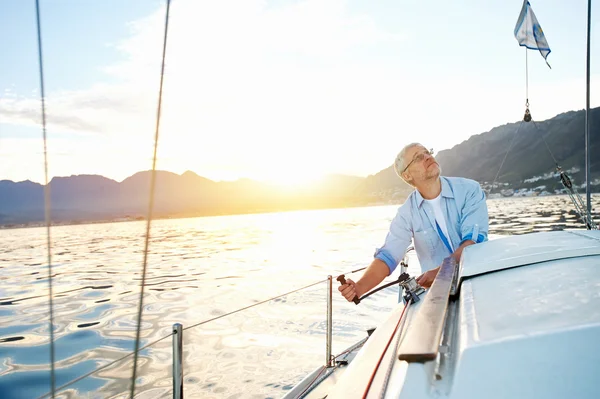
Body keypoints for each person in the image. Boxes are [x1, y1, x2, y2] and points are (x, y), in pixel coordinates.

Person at [339, 142, 489, 303]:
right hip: (440, 297)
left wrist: (440, 272)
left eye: (427, 152)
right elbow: (389, 255)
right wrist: (359, 288)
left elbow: (473, 241)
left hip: (479, 279)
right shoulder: (406, 213)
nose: (427, 157)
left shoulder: (469, 190)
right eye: (419, 157)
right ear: (407, 175)